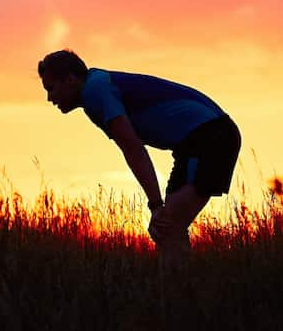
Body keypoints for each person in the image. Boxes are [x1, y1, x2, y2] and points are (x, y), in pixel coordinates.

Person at [37, 49, 241, 267]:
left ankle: (182, 292)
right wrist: (156, 206)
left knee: (167, 227)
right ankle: (181, 289)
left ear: (69, 79)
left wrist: (155, 204)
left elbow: (132, 148)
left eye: (51, 88)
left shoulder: (95, 91)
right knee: (165, 230)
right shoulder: (95, 90)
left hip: (210, 136)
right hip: (194, 143)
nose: (50, 98)